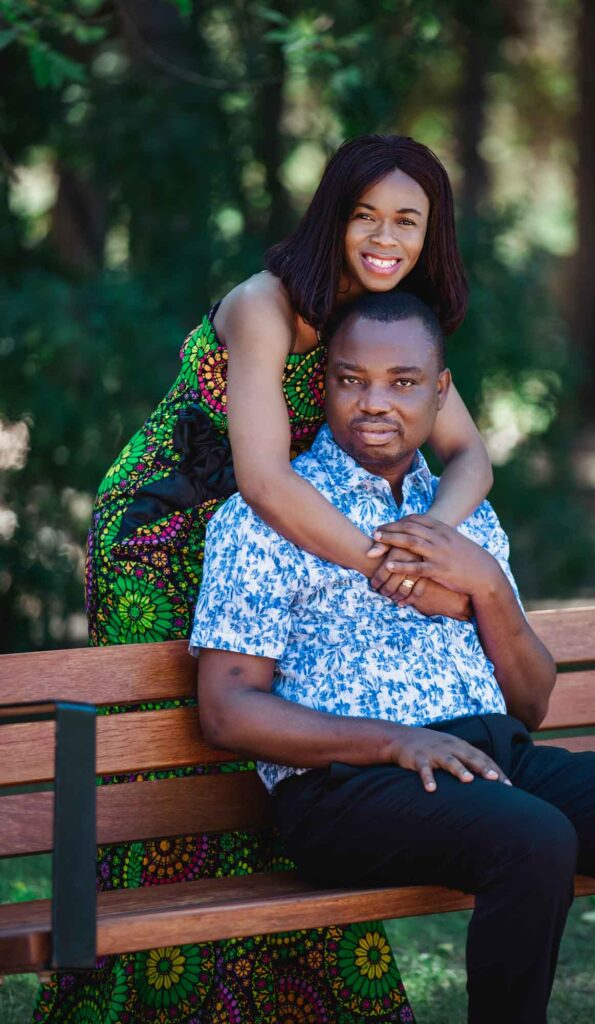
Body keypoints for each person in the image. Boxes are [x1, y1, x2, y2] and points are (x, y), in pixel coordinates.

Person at [34, 136, 491, 1023]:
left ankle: (283, 998)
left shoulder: (390, 319)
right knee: (166, 771)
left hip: (275, 551)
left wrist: (433, 533)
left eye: (408, 219)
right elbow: (264, 480)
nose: (384, 235)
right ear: (333, 216)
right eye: (366, 214)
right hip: (164, 543)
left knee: (270, 760)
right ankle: (141, 994)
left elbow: (469, 450)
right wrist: (383, 566)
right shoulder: (267, 305)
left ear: (432, 235)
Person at [192, 290, 595, 1024]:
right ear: (323, 383)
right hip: (344, 787)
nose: (373, 403)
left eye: (403, 381)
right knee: (534, 836)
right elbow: (227, 711)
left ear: (441, 390)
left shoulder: (466, 515)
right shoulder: (266, 517)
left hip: (492, 760)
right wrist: (395, 741)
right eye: (351, 379)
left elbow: (530, 704)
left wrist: (487, 586)